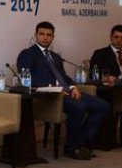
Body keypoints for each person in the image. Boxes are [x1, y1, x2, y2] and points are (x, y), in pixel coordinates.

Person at [17, 21, 110, 160]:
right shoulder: (27, 54)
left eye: (49, 35)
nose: (45, 37)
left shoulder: (55, 56)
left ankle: (81, 141)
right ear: (35, 35)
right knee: (79, 107)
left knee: (103, 106)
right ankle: (72, 147)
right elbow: (28, 80)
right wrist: (57, 89)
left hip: (66, 92)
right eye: (42, 34)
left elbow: (64, 76)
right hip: (49, 96)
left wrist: (73, 87)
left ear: (53, 37)